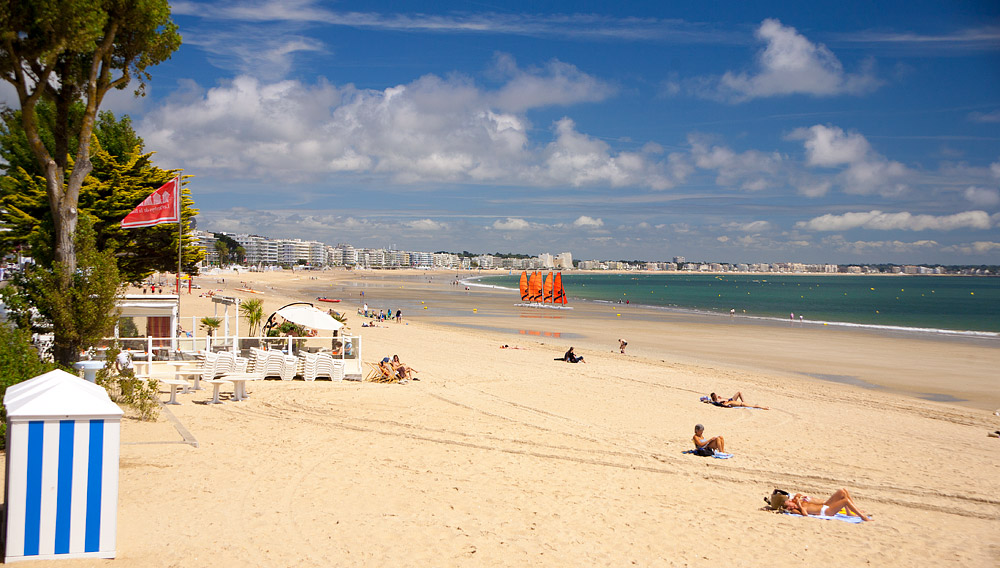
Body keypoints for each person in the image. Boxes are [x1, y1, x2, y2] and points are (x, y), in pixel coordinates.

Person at [783, 489, 872, 521]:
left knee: (842, 491)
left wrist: (799, 499)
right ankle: (862, 517)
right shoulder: (795, 510)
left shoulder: (798, 500)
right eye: (789, 507)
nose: (791, 506)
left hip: (825, 506)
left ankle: (850, 512)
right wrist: (799, 505)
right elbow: (805, 515)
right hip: (826, 511)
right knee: (845, 501)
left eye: (790, 504)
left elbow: (798, 495)